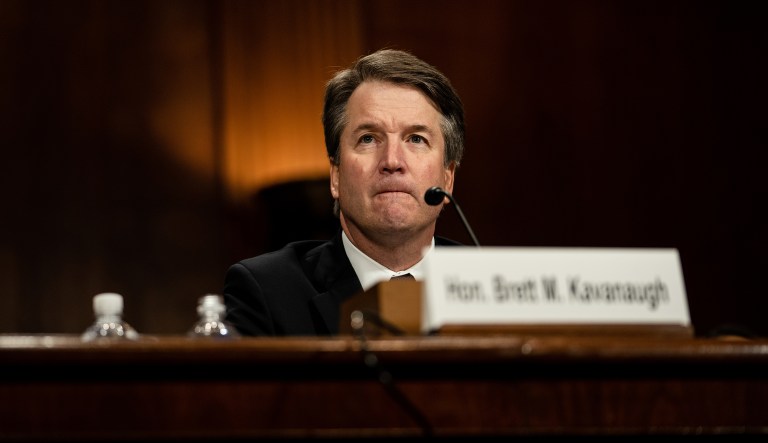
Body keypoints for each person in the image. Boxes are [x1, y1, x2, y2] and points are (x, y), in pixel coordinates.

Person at [223, 48, 466, 336]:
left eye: (416, 138)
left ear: (447, 177)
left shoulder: (496, 286)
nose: (392, 161)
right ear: (336, 175)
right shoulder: (266, 291)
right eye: (368, 139)